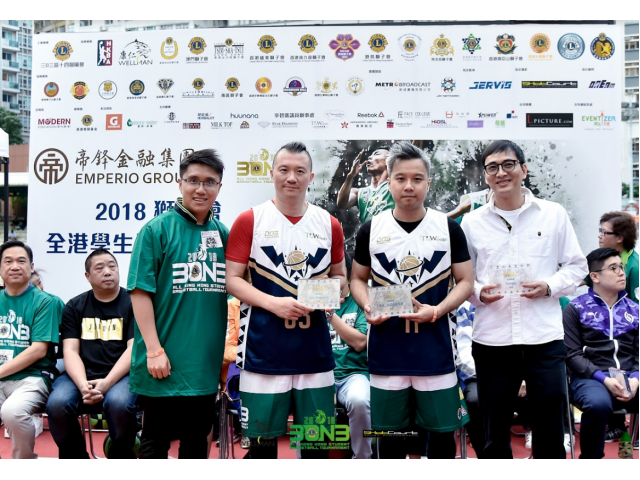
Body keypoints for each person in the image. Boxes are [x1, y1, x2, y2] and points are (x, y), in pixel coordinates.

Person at [460, 140, 588, 459]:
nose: (501, 173)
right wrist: (478, 292)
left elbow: (577, 267)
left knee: (550, 435)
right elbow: (462, 278)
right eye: (492, 167)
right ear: (485, 176)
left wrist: (549, 286)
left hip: (543, 339)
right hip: (493, 341)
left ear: (524, 169)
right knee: (494, 436)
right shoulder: (472, 223)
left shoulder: (553, 215)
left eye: (508, 164)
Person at [350, 141, 474, 459]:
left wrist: (438, 309)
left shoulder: (448, 228)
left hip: (436, 350)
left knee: (442, 436)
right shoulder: (370, 229)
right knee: (389, 437)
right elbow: (357, 280)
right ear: (389, 182)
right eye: (401, 178)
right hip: (386, 350)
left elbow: (466, 282)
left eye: (417, 179)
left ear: (428, 183)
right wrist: (367, 305)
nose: (409, 186)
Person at [226, 141, 346, 459]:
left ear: (311, 177)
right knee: (262, 449)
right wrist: (273, 303)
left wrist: (327, 293)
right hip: (263, 352)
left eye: (300, 171)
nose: (291, 178)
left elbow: (341, 279)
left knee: (316, 447)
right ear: (272, 174)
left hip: (314, 354)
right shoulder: (250, 220)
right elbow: (232, 280)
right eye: (284, 170)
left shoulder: (329, 224)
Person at [127, 149, 229, 459]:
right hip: (163, 361)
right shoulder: (156, 230)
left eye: (209, 182)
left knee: (196, 442)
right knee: (155, 442)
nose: (201, 189)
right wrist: (154, 350)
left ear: (219, 187)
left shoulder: (223, 234)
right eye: (193, 180)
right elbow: (139, 293)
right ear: (180, 182)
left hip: (204, 364)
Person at [46, 249, 138, 459]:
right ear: (87, 276)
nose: (108, 271)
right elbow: (70, 351)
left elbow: (133, 349)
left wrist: (107, 383)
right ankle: (77, 459)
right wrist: (82, 385)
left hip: (123, 376)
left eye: (112, 266)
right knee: (58, 403)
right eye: (100, 268)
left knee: (119, 404)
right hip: (81, 375)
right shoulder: (74, 306)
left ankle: (120, 456)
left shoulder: (133, 303)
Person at [563, 247, 639, 459]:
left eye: (621, 267)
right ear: (594, 276)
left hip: (631, 377)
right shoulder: (575, 309)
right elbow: (572, 355)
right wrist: (604, 379)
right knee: (597, 404)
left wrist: (635, 377)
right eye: (613, 268)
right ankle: (591, 460)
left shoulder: (635, 310)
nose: (621, 273)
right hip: (590, 378)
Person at [0, 240, 59, 459]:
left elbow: (38, 350)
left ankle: (24, 463)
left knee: (13, 412)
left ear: (31, 267)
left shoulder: (46, 302)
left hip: (33, 378)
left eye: (21, 261)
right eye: (8, 261)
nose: (15, 266)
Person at [328, 252, 371, 459]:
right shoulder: (312, 301)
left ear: (346, 272)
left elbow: (360, 342)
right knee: (307, 404)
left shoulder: (360, 301)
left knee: (359, 400)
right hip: (322, 374)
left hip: (354, 374)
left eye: (335, 273)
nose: (330, 278)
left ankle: (362, 459)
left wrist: (330, 314)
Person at [337, 147, 395, 223]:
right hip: (369, 231)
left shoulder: (394, 185)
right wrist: (350, 176)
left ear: (389, 161)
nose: (369, 157)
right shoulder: (358, 193)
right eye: (371, 155)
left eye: (377, 154)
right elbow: (342, 204)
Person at [598, 212, 638, 304]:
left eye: (604, 232)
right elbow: (578, 279)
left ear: (620, 238)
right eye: (600, 231)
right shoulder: (601, 258)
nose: (599, 235)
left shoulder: (635, 267)